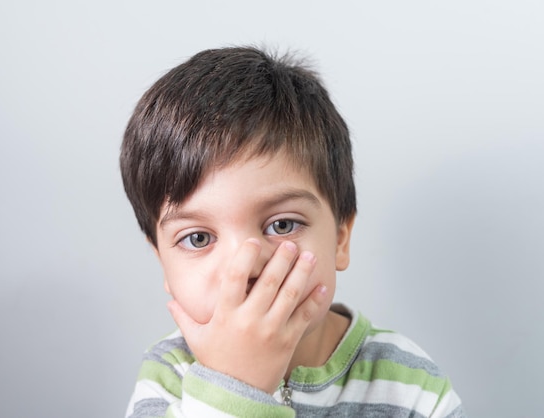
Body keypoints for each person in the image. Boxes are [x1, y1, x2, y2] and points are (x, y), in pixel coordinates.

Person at [120, 46, 465, 417]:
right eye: (198, 238)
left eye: (281, 225)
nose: (245, 266)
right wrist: (234, 389)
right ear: (162, 262)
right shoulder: (170, 375)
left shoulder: (410, 385)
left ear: (339, 238)